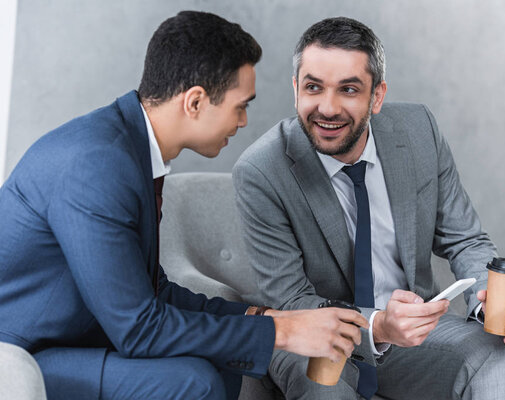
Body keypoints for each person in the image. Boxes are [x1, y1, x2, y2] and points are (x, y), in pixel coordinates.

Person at [0, 11, 368, 400]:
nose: (243, 122)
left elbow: (151, 291)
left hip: (70, 338)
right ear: (195, 102)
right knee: (193, 380)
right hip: (19, 355)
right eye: (240, 106)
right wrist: (286, 333)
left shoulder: (128, 149)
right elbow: (139, 327)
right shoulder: (97, 165)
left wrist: (267, 317)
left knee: (217, 366)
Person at [233, 17, 505, 399]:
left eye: (348, 89)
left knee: (500, 356)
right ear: (296, 90)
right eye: (313, 87)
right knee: (321, 386)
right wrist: (377, 326)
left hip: (415, 334)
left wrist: (486, 302)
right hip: (316, 336)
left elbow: (465, 239)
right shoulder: (262, 171)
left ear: (376, 96)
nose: (327, 108)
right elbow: (291, 302)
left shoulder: (419, 130)